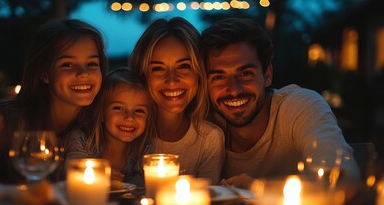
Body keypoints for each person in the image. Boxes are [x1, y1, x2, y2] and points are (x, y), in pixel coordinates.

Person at [201, 18, 360, 188]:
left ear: (267, 75)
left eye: (245, 74)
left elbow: (341, 179)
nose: (234, 90)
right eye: (219, 77)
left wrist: (259, 188)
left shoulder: (301, 106)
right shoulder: (203, 126)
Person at [0, 19, 107, 184]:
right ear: (44, 73)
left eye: (92, 63)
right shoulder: (0, 123)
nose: (83, 73)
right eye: (68, 64)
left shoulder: (99, 129)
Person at [130, 17, 225, 185]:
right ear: (143, 75)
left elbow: (208, 200)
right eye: (158, 68)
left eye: (183, 66)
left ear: (199, 73)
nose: (172, 80)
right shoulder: (126, 129)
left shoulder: (209, 139)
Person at [66, 67, 155, 187]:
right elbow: (71, 173)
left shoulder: (143, 148)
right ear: (101, 113)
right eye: (118, 108)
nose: (129, 117)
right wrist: (99, 175)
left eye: (139, 111)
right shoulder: (81, 140)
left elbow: (144, 185)